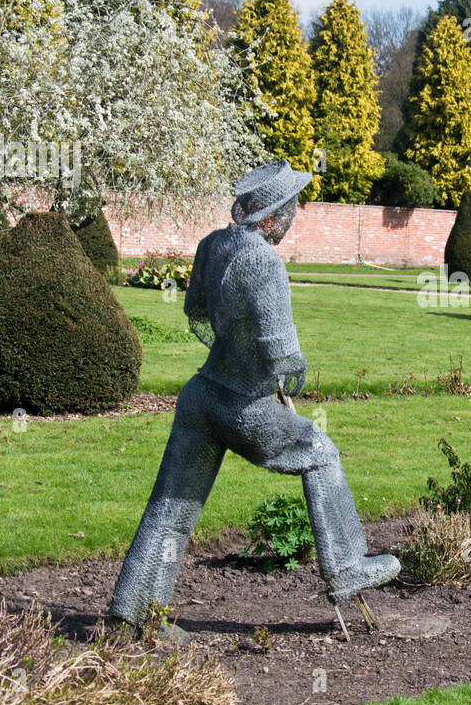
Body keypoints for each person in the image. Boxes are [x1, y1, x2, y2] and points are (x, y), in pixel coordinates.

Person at [109, 159, 400, 640]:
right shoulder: (263, 262)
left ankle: (134, 613)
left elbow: (198, 313)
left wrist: (234, 348)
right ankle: (347, 566)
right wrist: (289, 377)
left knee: (172, 507)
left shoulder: (212, 246)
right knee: (321, 453)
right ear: (273, 215)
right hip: (244, 407)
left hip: (201, 396)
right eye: (290, 211)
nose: (292, 220)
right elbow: (283, 353)